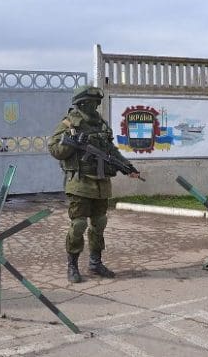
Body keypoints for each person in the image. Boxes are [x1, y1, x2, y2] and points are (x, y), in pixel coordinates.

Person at [48, 85, 140, 283]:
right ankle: (72, 265)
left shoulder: (101, 124)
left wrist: (126, 166)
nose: (95, 106)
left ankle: (95, 263)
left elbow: (111, 150)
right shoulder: (68, 123)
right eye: (91, 102)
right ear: (81, 103)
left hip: (101, 183)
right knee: (79, 224)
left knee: (99, 224)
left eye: (96, 102)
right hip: (79, 182)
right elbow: (54, 149)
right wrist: (71, 141)